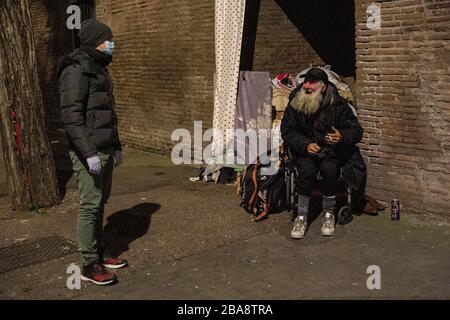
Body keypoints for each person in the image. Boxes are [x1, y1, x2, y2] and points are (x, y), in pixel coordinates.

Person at [57, 19, 127, 285]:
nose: (112, 44)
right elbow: (72, 116)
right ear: (95, 41)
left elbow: (108, 112)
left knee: (100, 202)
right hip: (88, 151)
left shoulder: (98, 68)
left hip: (104, 148)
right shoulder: (76, 70)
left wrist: (116, 145)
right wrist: (88, 152)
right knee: (89, 205)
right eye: (108, 39)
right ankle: (88, 264)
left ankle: (99, 252)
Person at [281, 68, 364, 239]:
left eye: (311, 83)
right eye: (305, 82)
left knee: (330, 169)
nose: (307, 86)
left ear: (323, 87)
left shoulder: (338, 105)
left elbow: (356, 130)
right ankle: (301, 216)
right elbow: (287, 130)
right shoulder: (296, 103)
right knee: (307, 170)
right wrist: (305, 144)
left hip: (331, 152)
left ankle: (328, 213)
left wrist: (341, 136)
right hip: (305, 152)